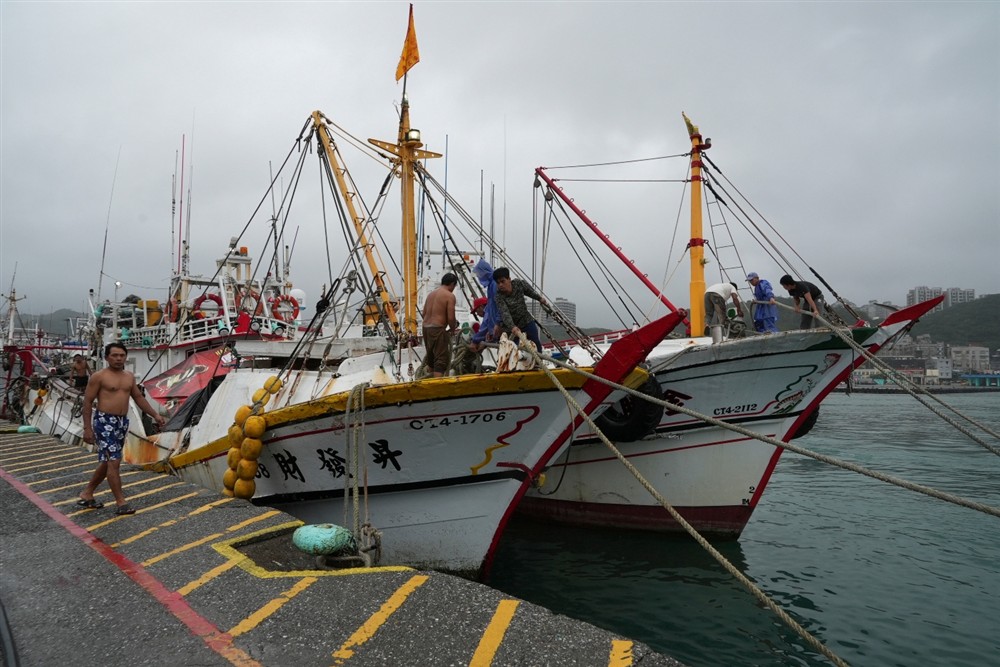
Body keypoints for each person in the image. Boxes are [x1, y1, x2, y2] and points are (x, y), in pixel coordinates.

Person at [78, 342, 166, 514]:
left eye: (122, 355)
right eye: (114, 355)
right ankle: (121, 503)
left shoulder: (129, 377)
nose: (119, 359)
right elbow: (87, 402)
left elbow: (138, 398)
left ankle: (87, 493)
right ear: (106, 357)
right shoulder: (99, 376)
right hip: (105, 422)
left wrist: (155, 415)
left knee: (107, 461)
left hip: (121, 422)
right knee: (114, 462)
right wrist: (87, 428)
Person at [492, 267, 546, 352]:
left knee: (536, 344)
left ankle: (538, 363)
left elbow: (530, 291)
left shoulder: (518, 284)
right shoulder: (498, 296)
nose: (500, 285)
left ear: (509, 279)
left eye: (503, 281)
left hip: (525, 320)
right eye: (498, 283)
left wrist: (539, 299)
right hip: (511, 326)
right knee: (514, 350)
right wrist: (512, 327)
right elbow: (504, 312)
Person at [421, 273, 460, 377]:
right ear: (452, 284)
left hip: (425, 328)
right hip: (437, 328)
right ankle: (437, 387)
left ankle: (430, 381)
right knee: (440, 360)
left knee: (431, 358)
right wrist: (452, 329)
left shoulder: (431, 294)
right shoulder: (450, 296)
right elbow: (451, 318)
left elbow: (424, 314)